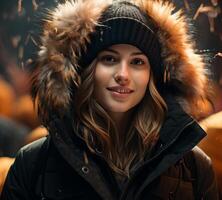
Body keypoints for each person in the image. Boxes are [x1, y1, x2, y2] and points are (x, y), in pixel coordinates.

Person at [0, 0, 219, 199]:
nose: (123, 74)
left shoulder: (194, 168)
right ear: (84, 71)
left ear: (153, 76)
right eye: (109, 59)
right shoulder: (33, 164)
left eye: (137, 62)